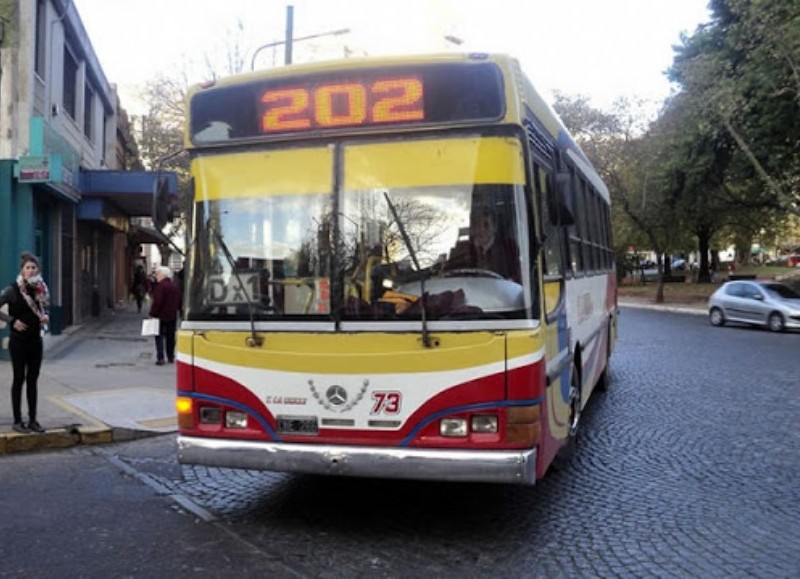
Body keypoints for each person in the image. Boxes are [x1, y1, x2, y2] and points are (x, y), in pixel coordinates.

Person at [0, 252, 50, 433]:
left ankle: (33, 420)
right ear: (22, 270)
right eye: (27, 268)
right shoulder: (13, 290)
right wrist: (12, 320)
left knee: (32, 380)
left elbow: (45, 308)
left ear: (38, 270)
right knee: (19, 378)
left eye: (33, 267)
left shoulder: (41, 289)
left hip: (35, 340)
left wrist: (45, 317)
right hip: (18, 341)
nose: (30, 270)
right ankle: (17, 420)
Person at [444, 198, 521, 282]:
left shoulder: (509, 248)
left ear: (494, 227)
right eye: (476, 224)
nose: (481, 229)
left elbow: (520, 276)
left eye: (486, 225)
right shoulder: (461, 249)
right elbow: (448, 275)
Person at [148, 265, 182, 365]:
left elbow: (157, 301)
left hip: (160, 315)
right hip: (172, 315)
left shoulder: (161, 286)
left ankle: (160, 357)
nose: (156, 276)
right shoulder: (175, 286)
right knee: (170, 336)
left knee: (159, 336)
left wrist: (152, 313)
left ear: (163, 275)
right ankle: (170, 356)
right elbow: (180, 300)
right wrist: (180, 311)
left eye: (158, 274)